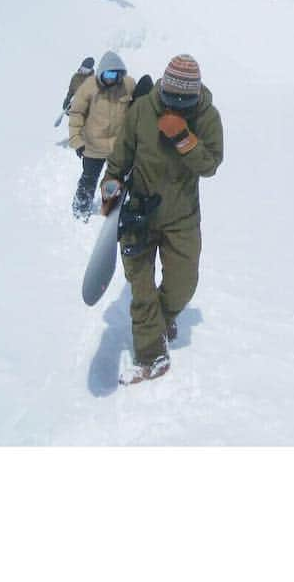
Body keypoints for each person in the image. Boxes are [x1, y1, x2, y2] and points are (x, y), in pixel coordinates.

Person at [101, 53, 224, 383]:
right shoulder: (142, 109)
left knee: (183, 284)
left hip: (182, 215)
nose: (176, 106)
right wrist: (110, 189)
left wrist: (185, 139)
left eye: (184, 102)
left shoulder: (207, 117)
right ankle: (150, 354)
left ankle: (165, 316)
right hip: (139, 212)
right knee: (141, 290)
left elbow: (210, 165)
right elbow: (120, 158)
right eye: (171, 99)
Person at [68, 51, 135, 217]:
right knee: (88, 179)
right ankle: (81, 208)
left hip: (117, 147)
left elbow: (141, 105)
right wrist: (77, 141)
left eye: (116, 74)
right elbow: (76, 113)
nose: (112, 78)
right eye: (108, 73)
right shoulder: (89, 87)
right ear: (101, 72)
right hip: (93, 146)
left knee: (115, 180)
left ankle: (111, 207)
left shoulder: (128, 85)